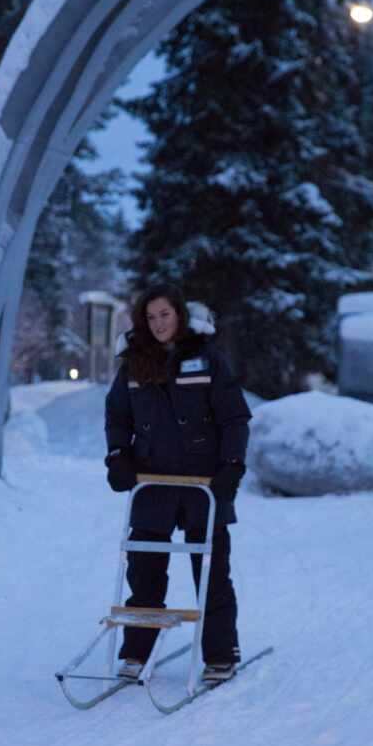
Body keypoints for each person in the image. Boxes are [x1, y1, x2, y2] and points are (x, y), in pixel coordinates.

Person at [104, 284, 251, 685]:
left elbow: (234, 418)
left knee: (211, 572)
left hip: (205, 484)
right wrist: (118, 455)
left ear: (180, 316)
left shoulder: (207, 360)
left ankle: (221, 653)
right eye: (150, 317)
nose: (158, 324)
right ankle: (137, 651)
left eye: (165, 315)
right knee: (144, 571)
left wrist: (232, 465)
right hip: (153, 483)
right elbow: (117, 416)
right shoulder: (133, 365)